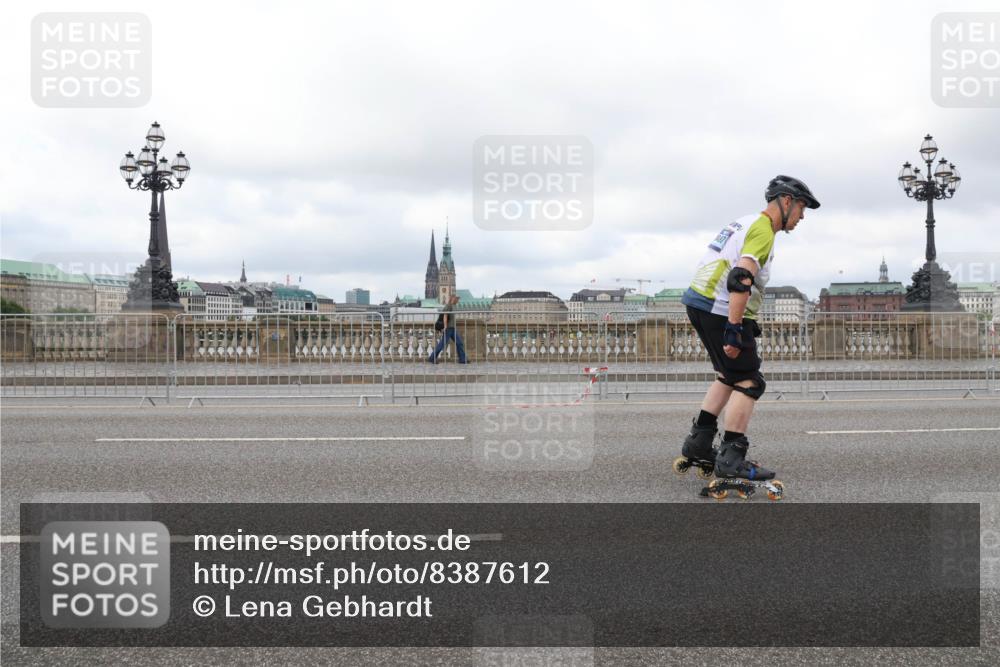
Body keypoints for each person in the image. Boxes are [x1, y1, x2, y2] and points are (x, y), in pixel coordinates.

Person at [678, 175, 820, 480]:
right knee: (749, 381)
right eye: (802, 207)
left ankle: (699, 442)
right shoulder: (764, 230)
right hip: (719, 308)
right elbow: (740, 277)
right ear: (786, 202)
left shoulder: (743, 222)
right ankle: (731, 457)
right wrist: (734, 328)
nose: (802, 216)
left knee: (727, 375)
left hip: (698, 302)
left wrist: (747, 320)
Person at [428, 294, 468, 364]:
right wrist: (445, 327)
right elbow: (445, 316)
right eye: (457, 299)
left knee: (459, 343)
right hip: (448, 328)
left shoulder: (453, 306)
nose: (458, 300)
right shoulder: (448, 306)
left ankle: (462, 359)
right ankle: (432, 358)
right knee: (442, 344)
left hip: (453, 328)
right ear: (453, 299)